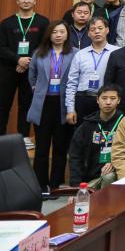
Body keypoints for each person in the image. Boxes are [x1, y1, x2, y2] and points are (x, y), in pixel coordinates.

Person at [27, 20, 76, 195]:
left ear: (67, 34)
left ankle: (56, 185)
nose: (58, 35)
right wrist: (36, 88)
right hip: (43, 104)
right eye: (54, 32)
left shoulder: (75, 54)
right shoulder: (39, 53)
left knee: (60, 147)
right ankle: (41, 185)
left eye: (62, 31)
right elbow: (32, 74)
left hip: (63, 104)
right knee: (41, 147)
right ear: (49, 34)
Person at [0, 0, 48, 147]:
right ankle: (1, 136)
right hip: (8, 69)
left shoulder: (43, 22)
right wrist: (18, 60)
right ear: (17, 0)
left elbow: (44, 45)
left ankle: (24, 136)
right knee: (3, 103)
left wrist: (27, 62)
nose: (26, 1)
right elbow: (1, 47)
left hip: (31, 70)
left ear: (35, 1)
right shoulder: (6, 23)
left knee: (26, 104)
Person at [65, 16, 118, 126]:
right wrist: (70, 109)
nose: (97, 32)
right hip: (83, 100)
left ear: (107, 30)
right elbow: (72, 83)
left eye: (100, 28)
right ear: (89, 33)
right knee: (83, 134)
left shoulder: (117, 52)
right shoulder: (80, 54)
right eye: (93, 29)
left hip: (107, 100)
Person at [67, 84, 122, 190]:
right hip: (91, 179)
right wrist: (75, 186)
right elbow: (75, 156)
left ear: (119, 100)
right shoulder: (87, 125)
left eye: (113, 98)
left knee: (109, 177)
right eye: (104, 98)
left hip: (117, 176)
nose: (108, 102)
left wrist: (115, 162)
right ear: (97, 100)